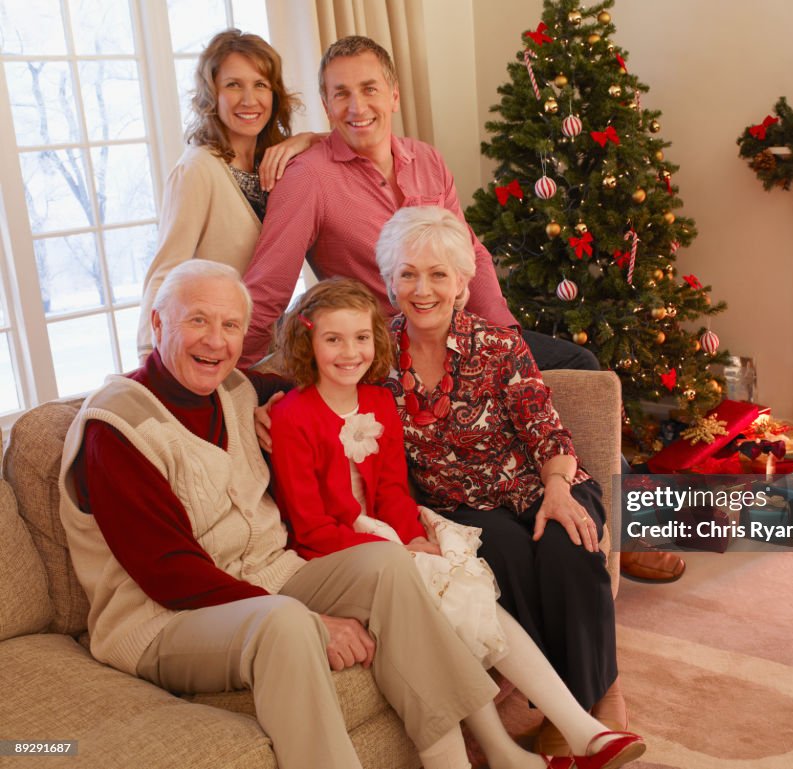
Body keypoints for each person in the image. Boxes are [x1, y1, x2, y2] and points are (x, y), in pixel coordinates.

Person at [61, 259, 512, 769]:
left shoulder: (232, 387)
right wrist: (319, 623)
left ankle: (452, 762)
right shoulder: (117, 428)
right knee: (285, 624)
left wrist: (275, 407)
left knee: (387, 563)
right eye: (197, 320)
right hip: (165, 620)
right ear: (158, 324)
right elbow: (168, 574)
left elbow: (305, 386)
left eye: (230, 326)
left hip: (270, 575)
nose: (215, 341)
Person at [267, 277, 645, 769]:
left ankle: (557, 734)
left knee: (468, 590)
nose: (349, 352)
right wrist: (401, 551)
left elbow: (392, 491)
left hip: (411, 530)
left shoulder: (379, 399)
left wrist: (412, 537)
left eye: (361, 338)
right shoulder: (294, 416)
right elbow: (310, 525)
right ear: (308, 341)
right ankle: (575, 731)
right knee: (461, 586)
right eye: (332, 339)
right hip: (339, 551)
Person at [373, 206, 628, 755]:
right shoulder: (372, 355)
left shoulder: (497, 346)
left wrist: (558, 490)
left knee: (568, 544)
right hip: (464, 508)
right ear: (388, 281)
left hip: (546, 483)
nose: (423, 289)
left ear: (463, 284)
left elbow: (546, 430)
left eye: (439, 274)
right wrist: (268, 404)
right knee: (507, 553)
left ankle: (598, 697)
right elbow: (309, 373)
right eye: (409, 273)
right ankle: (566, 694)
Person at [239, 34, 598, 373]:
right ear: (327, 106)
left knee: (580, 366)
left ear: (394, 95)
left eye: (369, 89)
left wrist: (503, 336)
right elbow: (268, 288)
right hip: (384, 350)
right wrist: (239, 379)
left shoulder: (427, 160)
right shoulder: (307, 178)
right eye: (341, 94)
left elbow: (471, 254)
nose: (357, 106)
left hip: (459, 331)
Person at [136, 28, 321, 361]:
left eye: (260, 85)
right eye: (233, 85)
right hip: (213, 351)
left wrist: (306, 139)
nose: (249, 100)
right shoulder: (198, 169)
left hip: (270, 347)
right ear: (212, 95)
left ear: (275, 95)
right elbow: (165, 271)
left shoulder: (277, 162)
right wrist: (149, 361)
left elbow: (348, 145)